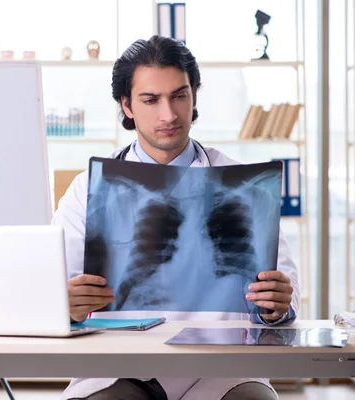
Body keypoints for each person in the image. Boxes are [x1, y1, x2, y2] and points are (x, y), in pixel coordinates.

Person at [51, 35, 299, 400]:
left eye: (179, 96)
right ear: (127, 105)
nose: (168, 115)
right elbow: (51, 292)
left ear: (194, 97)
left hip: (225, 369)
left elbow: (283, 291)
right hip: (120, 365)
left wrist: (277, 306)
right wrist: (64, 303)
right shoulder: (87, 188)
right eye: (151, 100)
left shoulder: (244, 183)